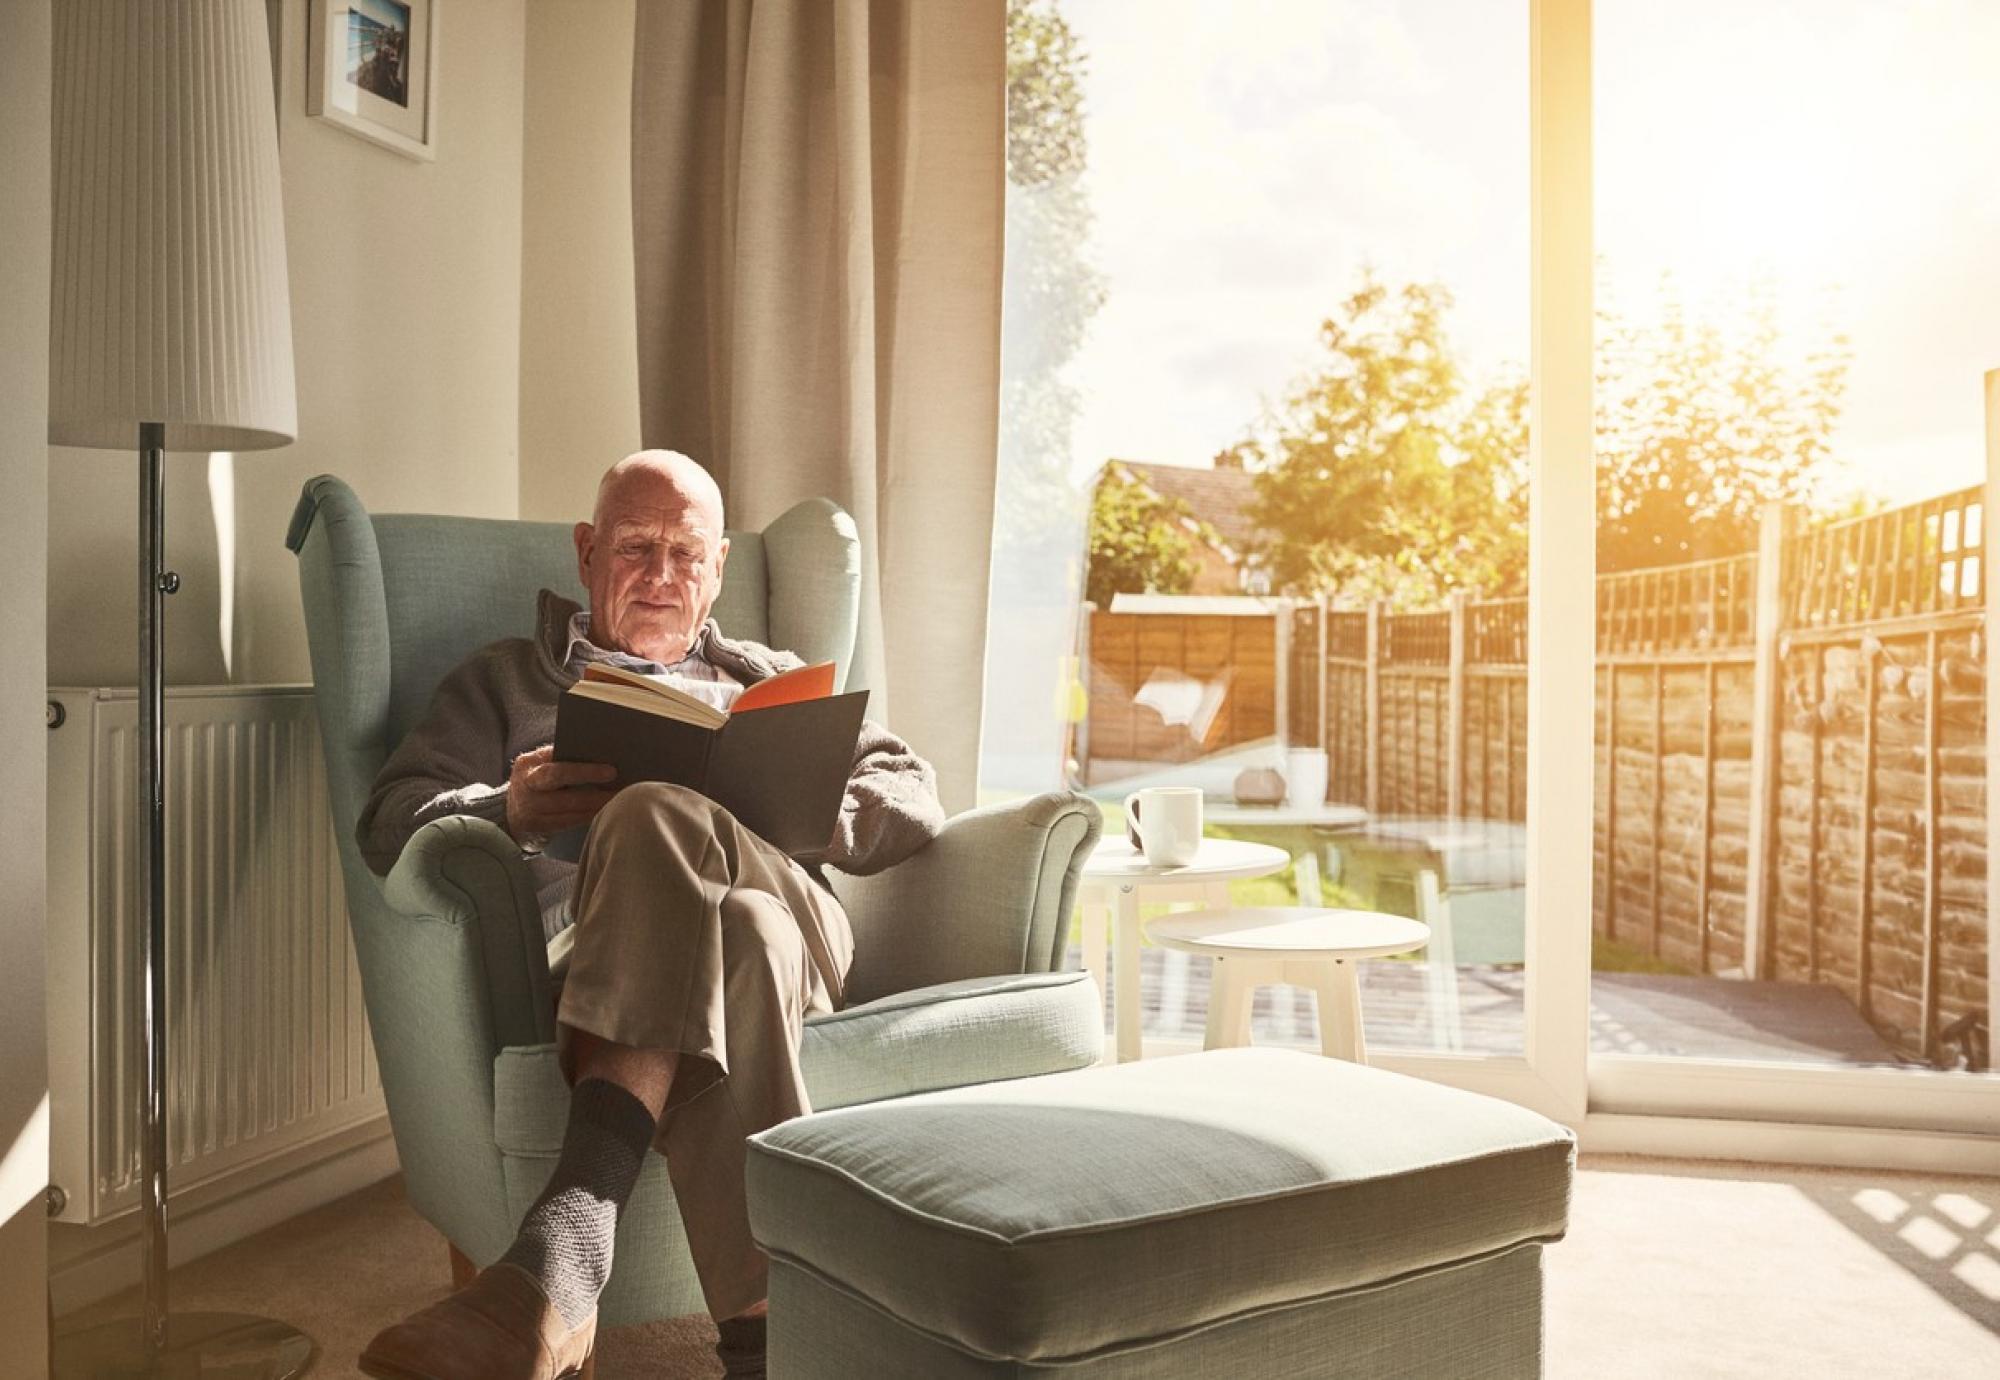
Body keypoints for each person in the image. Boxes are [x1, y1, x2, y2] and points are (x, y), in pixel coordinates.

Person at [356, 450, 944, 1380]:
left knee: (678, 838)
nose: (662, 575)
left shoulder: (769, 674)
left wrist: (820, 805)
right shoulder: (506, 681)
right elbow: (390, 820)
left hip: (802, 936)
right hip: (607, 954)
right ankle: (768, 1348)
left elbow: (913, 789)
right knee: (732, 938)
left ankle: (564, 1250)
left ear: (716, 572)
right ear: (589, 553)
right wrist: (503, 807)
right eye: (636, 547)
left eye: (687, 553)